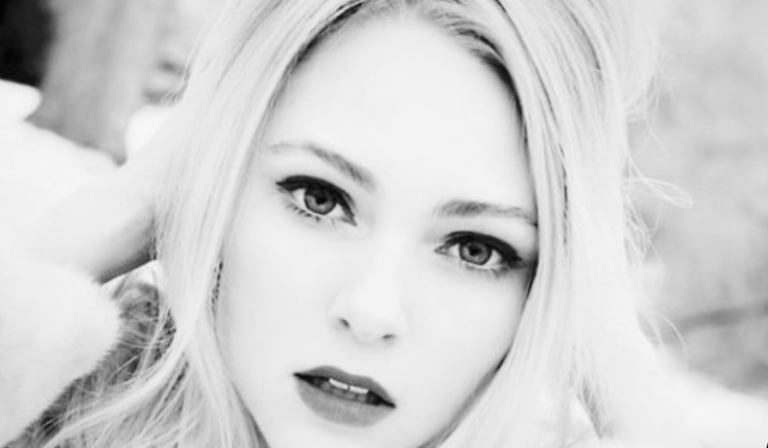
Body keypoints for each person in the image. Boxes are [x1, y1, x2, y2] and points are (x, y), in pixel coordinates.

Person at [0, 0, 699, 447]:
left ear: (549, 289)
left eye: (475, 249)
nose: (370, 310)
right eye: (319, 199)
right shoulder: (60, 413)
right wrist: (123, 209)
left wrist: (626, 382)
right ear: (217, 188)